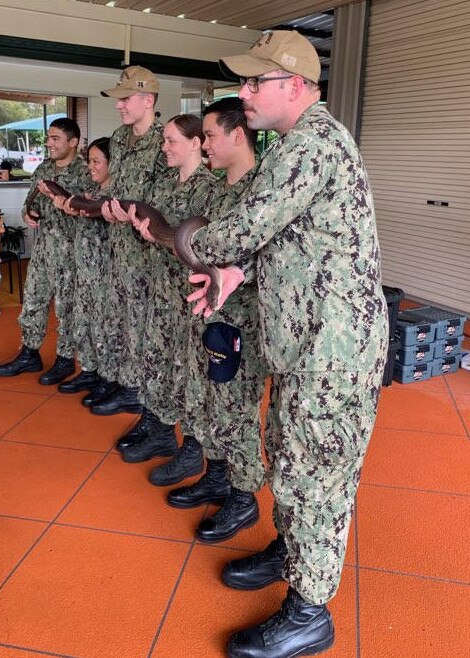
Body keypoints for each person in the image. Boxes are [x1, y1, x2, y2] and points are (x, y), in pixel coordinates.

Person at [181, 30, 389, 658]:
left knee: (315, 473)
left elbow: (244, 227)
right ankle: (295, 552)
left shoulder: (311, 145)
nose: (242, 93)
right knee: (289, 454)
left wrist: (191, 242)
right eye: (242, 82)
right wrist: (242, 271)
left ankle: (309, 613)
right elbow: (291, 238)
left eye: (254, 82)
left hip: (334, 347)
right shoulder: (296, 145)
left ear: (294, 86)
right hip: (308, 342)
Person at [156, 98, 269, 544]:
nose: (205, 145)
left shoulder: (262, 192)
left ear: (237, 135)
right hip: (208, 318)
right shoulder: (220, 190)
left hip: (242, 323)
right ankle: (218, 475)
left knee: (236, 411)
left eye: (210, 136)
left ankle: (244, 498)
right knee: (207, 402)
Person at [117, 114, 216, 484]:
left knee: (190, 377)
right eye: (164, 140)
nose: (164, 147)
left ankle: (192, 450)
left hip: (191, 299)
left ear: (195, 144)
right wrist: (147, 233)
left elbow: (204, 249)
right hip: (161, 294)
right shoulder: (166, 186)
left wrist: (165, 239)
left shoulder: (210, 191)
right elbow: (157, 233)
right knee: (156, 362)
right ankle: (160, 432)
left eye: (172, 140)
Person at [83, 66, 166, 425]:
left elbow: (167, 199)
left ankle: (136, 391)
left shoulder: (166, 141)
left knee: (141, 326)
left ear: (147, 100)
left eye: (126, 98)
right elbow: (116, 187)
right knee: (117, 319)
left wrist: (136, 215)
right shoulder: (118, 138)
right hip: (118, 247)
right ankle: (122, 381)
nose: (119, 106)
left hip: (148, 252)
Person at [0, 118, 92, 383]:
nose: (49, 143)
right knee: (33, 302)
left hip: (70, 254)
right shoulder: (43, 168)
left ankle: (64, 359)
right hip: (42, 251)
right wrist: (29, 214)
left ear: (73, 142)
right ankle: (30, 353)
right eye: (48, 138)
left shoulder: (84, 173)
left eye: (55, 138)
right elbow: (30, 201)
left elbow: (91, 214)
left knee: (66, 308)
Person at [46, 137, 112, 395]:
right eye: (89, 161)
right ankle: (89, 371)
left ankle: (108, 379)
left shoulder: (113, 198)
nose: (91, 167)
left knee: (103, 327)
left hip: (104, 277)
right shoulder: (92, 194)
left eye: (96, 162)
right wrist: (71, 208)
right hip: (83, 273)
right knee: (83, 323)